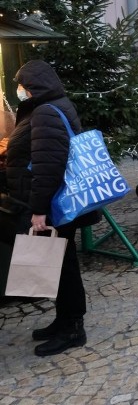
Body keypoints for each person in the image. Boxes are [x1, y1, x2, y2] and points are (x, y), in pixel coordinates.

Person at [5, 60, 100, 356]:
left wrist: (39, 210)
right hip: (55, 201)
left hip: (54, 203)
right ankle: (64, 320)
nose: (19, 89)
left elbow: (49, 166)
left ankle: (73, 328)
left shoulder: (45, 111)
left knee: (62, 265)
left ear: (33, 85)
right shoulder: (49, 106)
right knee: (59, 261)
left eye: (22, 84)